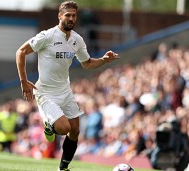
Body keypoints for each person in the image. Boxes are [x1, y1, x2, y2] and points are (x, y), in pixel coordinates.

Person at [16, 1, 119, 170]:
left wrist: (104, 60)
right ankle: (49, 125)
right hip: (46, 93)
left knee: (75, 130)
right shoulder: (47, 36)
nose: (71, 19)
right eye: (68, 15)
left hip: (65, 91)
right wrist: (23, 81)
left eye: (74, 16)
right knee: (64, 129)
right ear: (60, 16)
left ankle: (63, 168)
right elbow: (21, 52)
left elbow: (86, 63)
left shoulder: (77, 40)